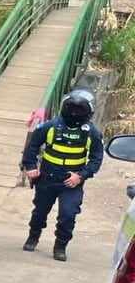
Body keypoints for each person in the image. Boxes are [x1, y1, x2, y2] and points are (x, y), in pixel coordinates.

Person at [22, 89, 103, 261]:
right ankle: (33, 236)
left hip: (71, 183)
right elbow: (32, 146)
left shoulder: (92, 133)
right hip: (47, 179)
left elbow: (96, 159)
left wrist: (81, 176)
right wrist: (30, 166)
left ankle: (60, 245)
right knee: (39, 213)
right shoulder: (50, 126)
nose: (74, 113)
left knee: (68, 215)